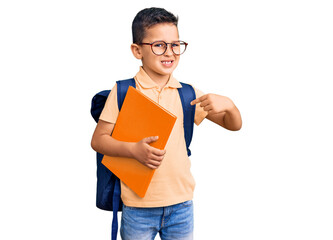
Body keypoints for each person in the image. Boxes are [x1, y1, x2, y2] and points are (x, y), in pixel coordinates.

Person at [91, 7, 242, 240]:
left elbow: (233, 125)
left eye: (175, 44)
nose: (169, 52)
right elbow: (98, 140)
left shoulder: (187, 94)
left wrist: (230, 106)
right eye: (159, 45)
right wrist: (133, 150)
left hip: (181, 205)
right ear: (137, 50)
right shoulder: (123, 92)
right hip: (137, 207)